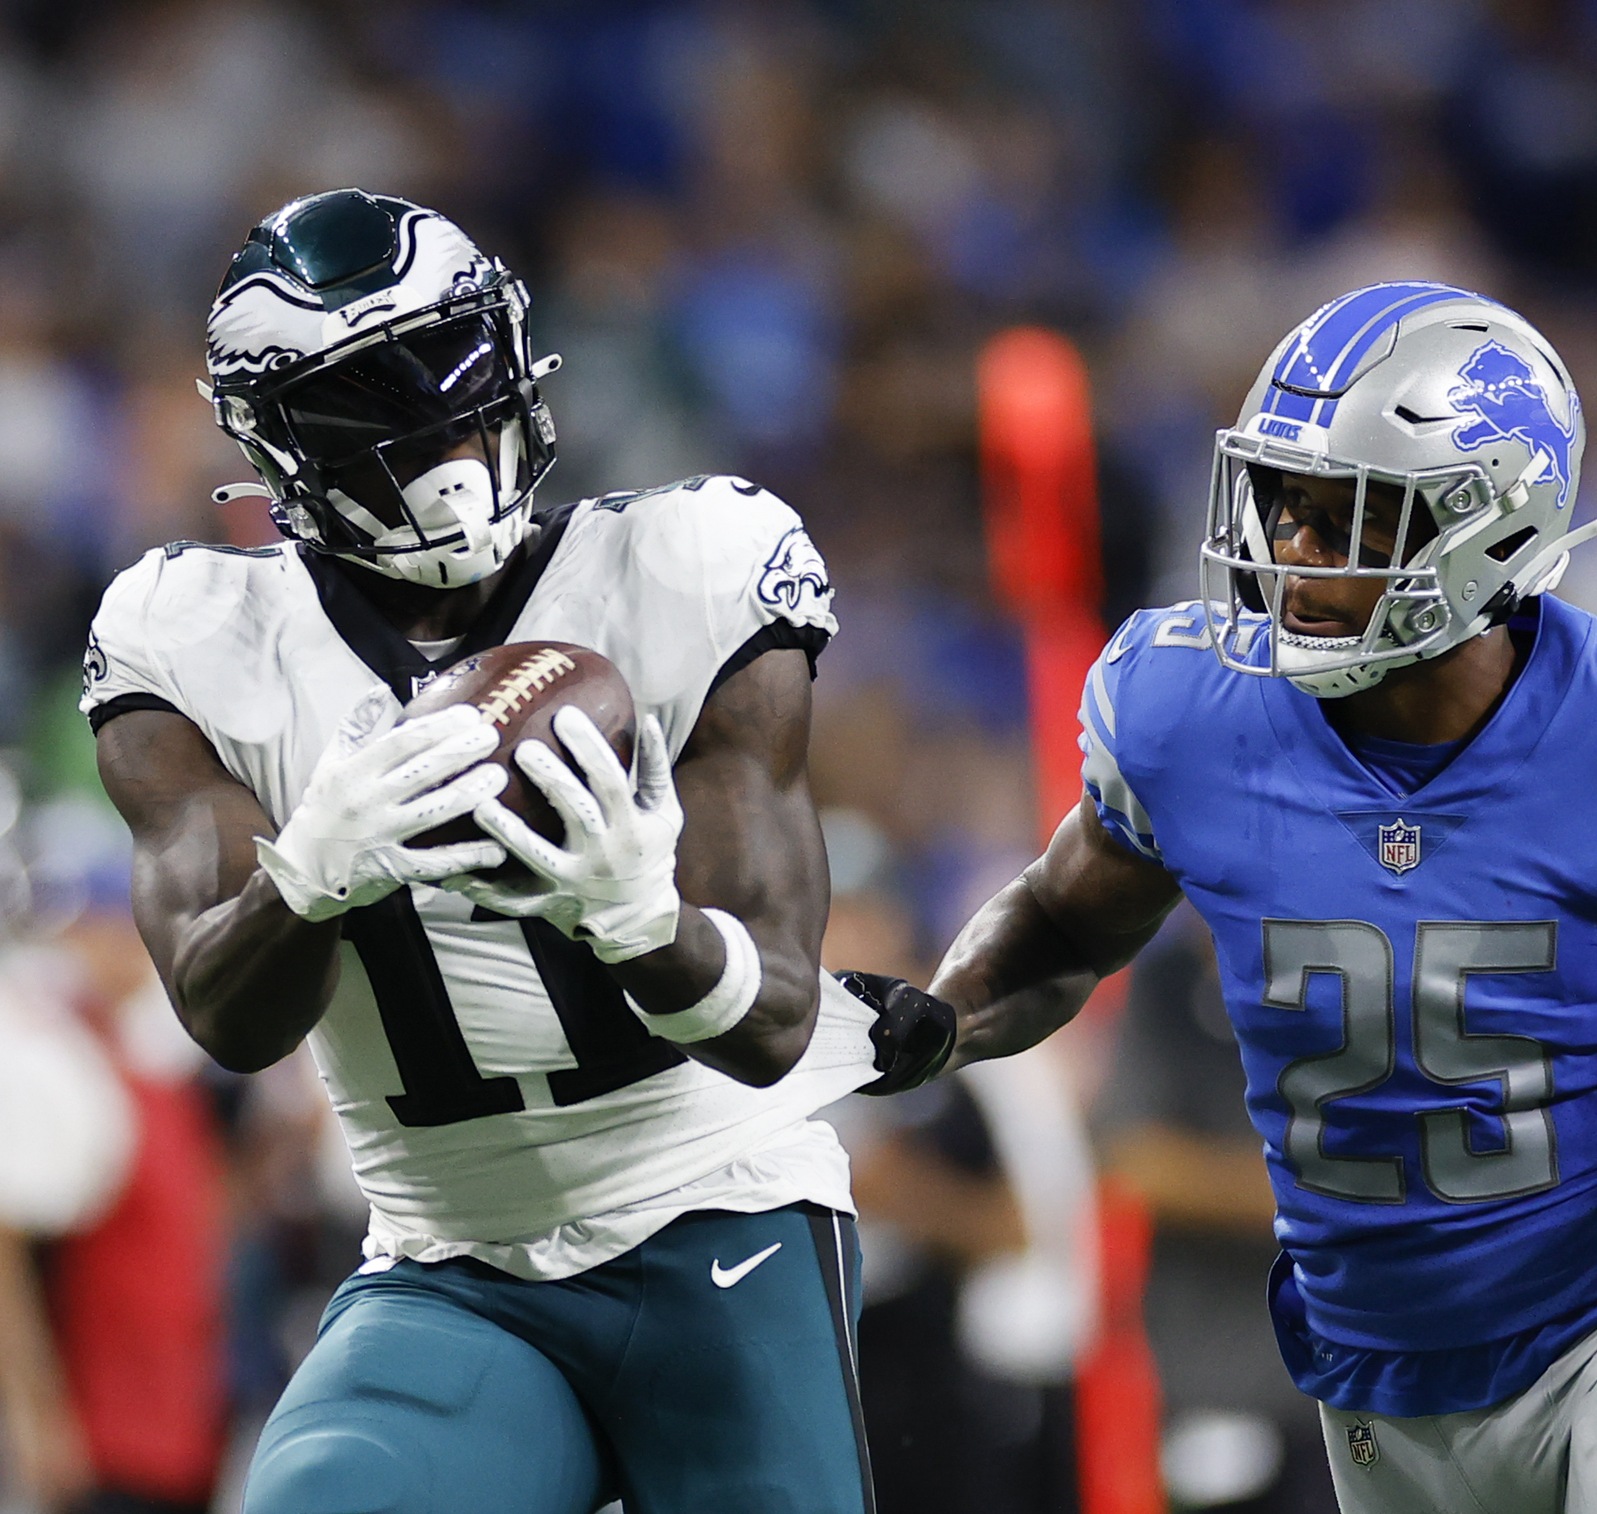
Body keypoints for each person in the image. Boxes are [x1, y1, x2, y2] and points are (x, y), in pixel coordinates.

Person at [839, 283, 1597, 1513]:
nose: (1291, 546)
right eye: (1283, 500)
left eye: (1347, 514)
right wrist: (940, 1014)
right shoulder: (1193, 714)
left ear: (1487, 527)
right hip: (1379, 1372)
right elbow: (1063, 924)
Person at [81, 189, 953, 1514]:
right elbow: (229, 1015)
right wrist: (310, 873)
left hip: (714, 1202)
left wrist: (637, 919)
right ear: (280, 443)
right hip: (449, 1255)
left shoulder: (683, 562)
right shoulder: (194, 632)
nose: (439, 426)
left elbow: (773, 1021)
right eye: (376, 404)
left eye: (454, 368)